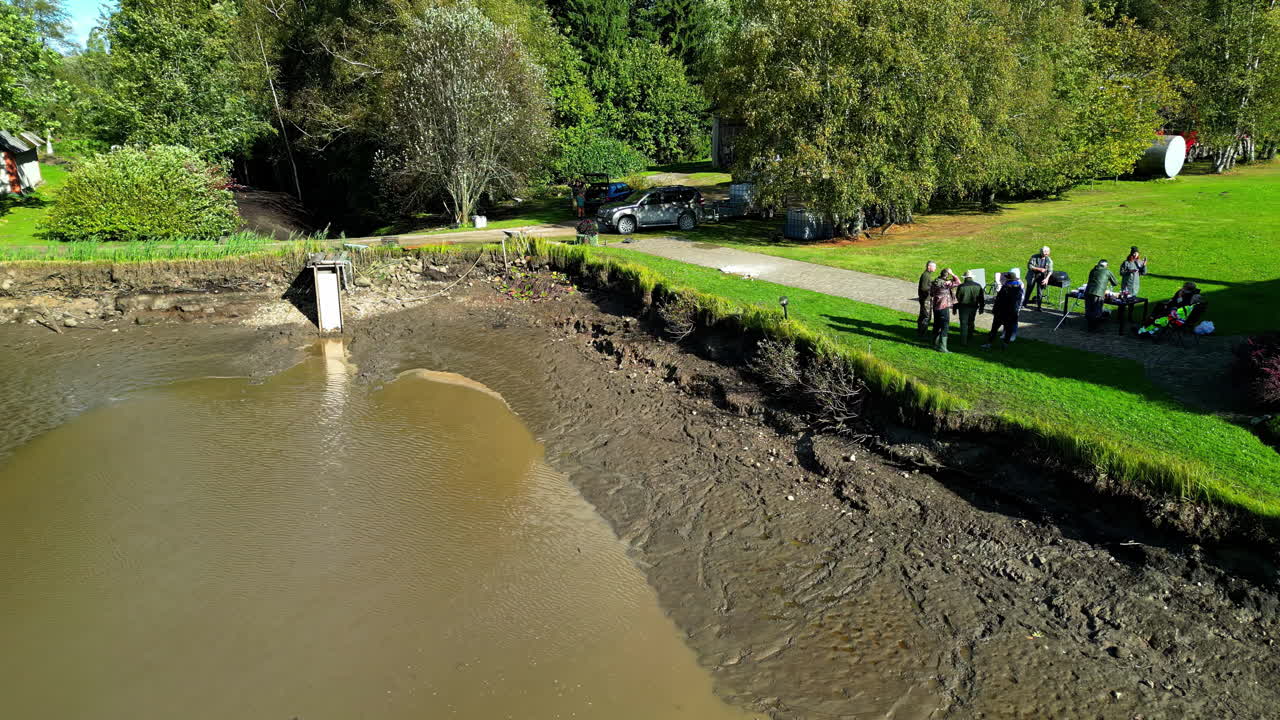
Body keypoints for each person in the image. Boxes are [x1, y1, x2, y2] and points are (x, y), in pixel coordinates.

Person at [982, 272, 1022, 349]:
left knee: (994, 329)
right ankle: (1006, 344)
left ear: (1008, 278)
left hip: (1001, 312)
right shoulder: (1019, 287)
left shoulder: (1006, 287)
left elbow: (999, 300)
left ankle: (989, 343)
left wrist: (994, 310)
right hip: (1012, 312)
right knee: (1009, 329)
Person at [930, 268, 961, 353]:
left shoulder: (935, 282)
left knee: (936, 325)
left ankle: (934, 344)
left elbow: (931, 293)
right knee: (945, 326)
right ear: (947, 275)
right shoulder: (946, 284)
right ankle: (942, 347)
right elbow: (958, 282)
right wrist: (953, 274)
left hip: (935, 306)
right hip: (943, 306)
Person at [1084, 259, 1118, 332]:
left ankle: (1089, 327)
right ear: (1106, 265)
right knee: (1097, 311)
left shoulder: (1093, 270)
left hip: (1088, 292)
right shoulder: (1107, 271)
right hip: (1098, 293)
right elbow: (1115, 283)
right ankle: (1094, 328)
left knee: (1089, 310)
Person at [954, 270, 986, 346]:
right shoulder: (978, 286)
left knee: (964, 324)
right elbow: (981, 298)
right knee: (971, 322)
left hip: (963, 308)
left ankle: (963, 341)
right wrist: (981, 308)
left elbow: (957, 298)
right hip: (973, 307)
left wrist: (955, 308)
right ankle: (970, 337)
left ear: (965, 278)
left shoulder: (961, 286)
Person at [916, 261, 937, 338]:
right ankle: (923, 334)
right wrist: (932, 287)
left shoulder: (927, 275)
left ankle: (920, 331)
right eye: (934, 266)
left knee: (923, 315)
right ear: (929, 267)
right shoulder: (926, 275)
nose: (935, 268)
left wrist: (932, 283)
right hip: (925, 299)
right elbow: (924, 288)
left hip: (925, 299)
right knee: (926, 316)